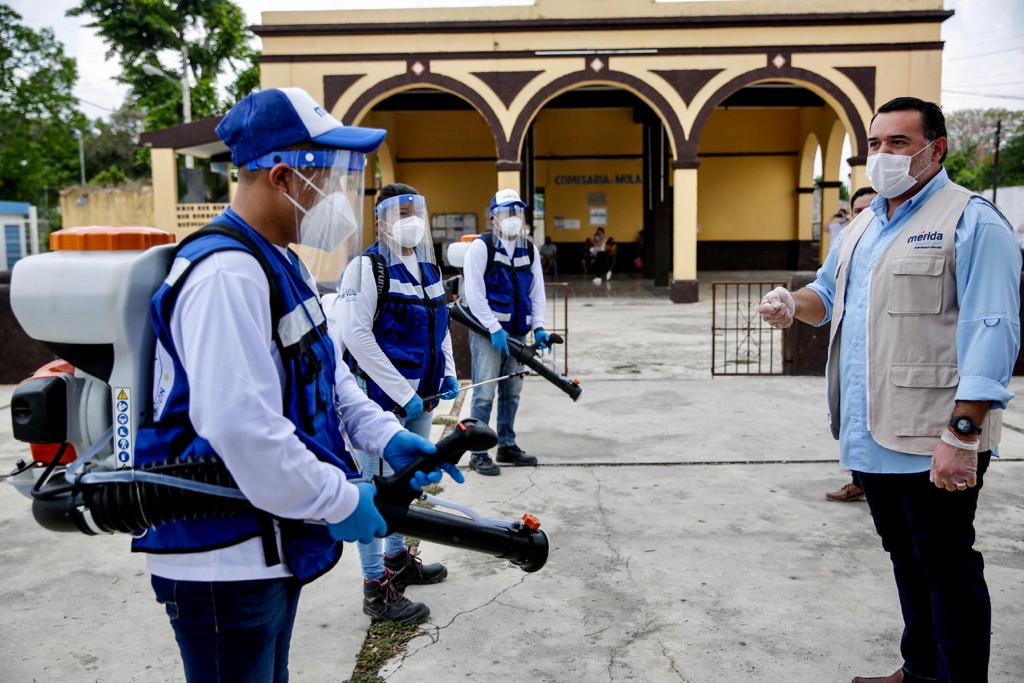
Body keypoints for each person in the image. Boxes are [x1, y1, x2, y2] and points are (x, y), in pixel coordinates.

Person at [132, 87, 458, 682]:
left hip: (269, 541)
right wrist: (340, 501)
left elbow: (329, 376)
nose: (337, 195)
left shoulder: (285, 262)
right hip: (222, 560)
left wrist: (386, 436)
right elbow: (241, 427)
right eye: (327, 177)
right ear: (283, 175)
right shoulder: (227, 274)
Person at [759, 97, 1021, 683]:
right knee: (907, 558)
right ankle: (920, 669)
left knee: (947, 565)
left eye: (898, 143)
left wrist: (963, 433)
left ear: (936, 149)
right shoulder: (862, 225)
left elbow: (993, 330)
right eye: (875, 145)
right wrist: (788, 303)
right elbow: (825, 297)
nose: (883, 156)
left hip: (935, 434)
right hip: (871, 429)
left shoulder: (973, 221)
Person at [329, 183, 461, 625]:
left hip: (421, 398)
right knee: (376, 490)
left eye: (415, 210)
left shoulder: (426, 268)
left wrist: (449, 371)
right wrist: (401, 393)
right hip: (380, 403)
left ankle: (399, 560)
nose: (410, 219)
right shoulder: (367, 268)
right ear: (381, 219)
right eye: (400, 211)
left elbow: (440, 324)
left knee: (405, 486)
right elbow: (356, 336)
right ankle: (374, 586)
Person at [462, 188, 551, 476]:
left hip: (518, 333)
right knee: (485, 393)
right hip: (488, 334)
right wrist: (492, 328)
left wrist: (538, 327)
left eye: (517, 212)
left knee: (512, 392)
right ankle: (478, 452)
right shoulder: (481, 247)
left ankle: (507, 445)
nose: (513, 217)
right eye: (506, 212)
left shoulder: (529, 249)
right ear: (493, 218)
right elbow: (474, 295)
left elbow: (537, 292)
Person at [824, 186, 877, 503]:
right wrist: (790, 302)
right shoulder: (847, 243)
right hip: (856, 358)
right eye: (859, 210)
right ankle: (859, 479)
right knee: (855, 418)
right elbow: (824, 290)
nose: (866, 214)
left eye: (873, 206)